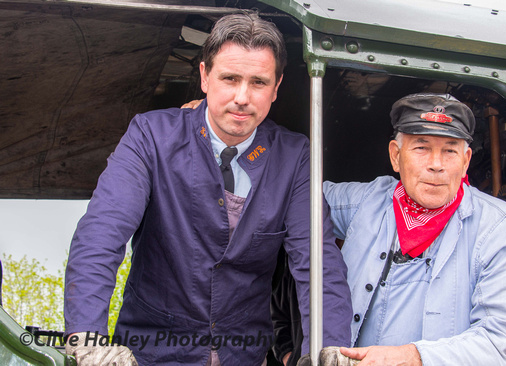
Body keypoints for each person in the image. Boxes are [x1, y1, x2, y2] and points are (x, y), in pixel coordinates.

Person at [64, 12, 352, 366]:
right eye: (229, 78)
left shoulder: (295, 157)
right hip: (149, 355)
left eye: (258, 82)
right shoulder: (150, 136)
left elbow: (317, 263)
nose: (242, 97)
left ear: (276, 87)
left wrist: (330, 349)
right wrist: (87, 337)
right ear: (204, 76)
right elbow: (102, 234)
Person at [315, 93, 506, 366]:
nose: (436, 164)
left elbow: (502, 340)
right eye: (421, 148)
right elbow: (297, 199)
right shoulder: (368, 200)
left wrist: (414, 357)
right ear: (396, 156)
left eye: (450, 150)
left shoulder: (500, 226)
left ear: (466, 160)